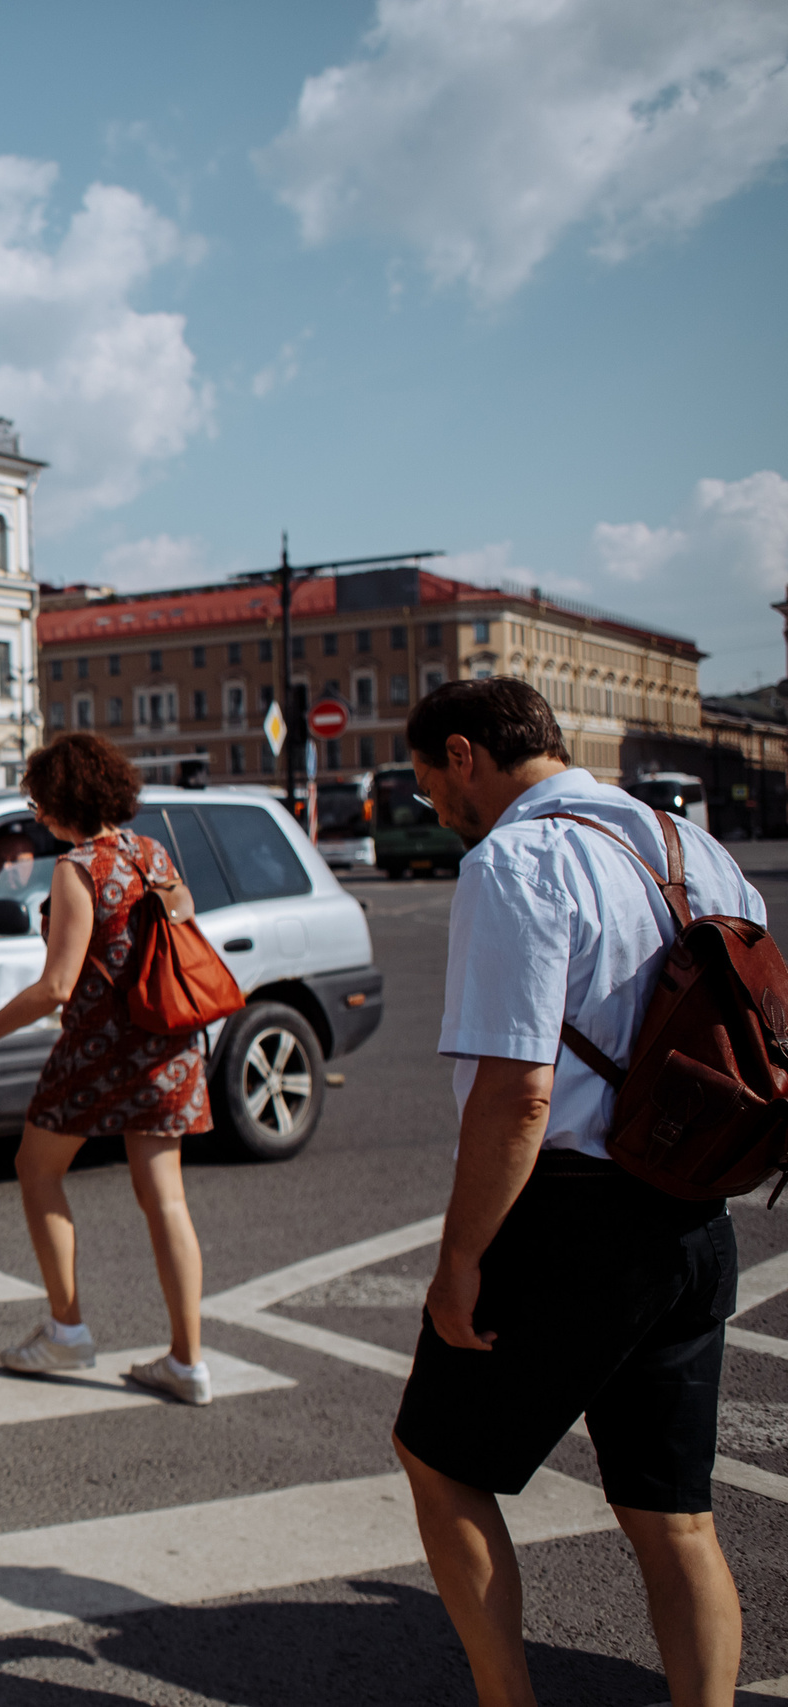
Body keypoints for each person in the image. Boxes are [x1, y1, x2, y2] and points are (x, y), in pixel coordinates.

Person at [393, 679, 749, 1707]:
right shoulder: (695, 849)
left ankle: (508, 1700)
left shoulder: (517, 860)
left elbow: (516, 1095)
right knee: (672, 1515)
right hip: (694, 1209)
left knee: (439, 1459)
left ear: (465, 756)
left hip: (572, 1216)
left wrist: (460, 1261)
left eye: (427, 790)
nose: (437, 812)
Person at [0, 732, 214, 1406]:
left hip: (100, 1049)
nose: (36, 811)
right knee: (164, 1195)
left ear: (60, 799)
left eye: (39, 800)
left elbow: (56, 986)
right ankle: (188, 1360)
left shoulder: (76, 869)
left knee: (36, 1168)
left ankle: (67, 1328)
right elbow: (182, 915)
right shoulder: (151, 851)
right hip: (169, 1041)